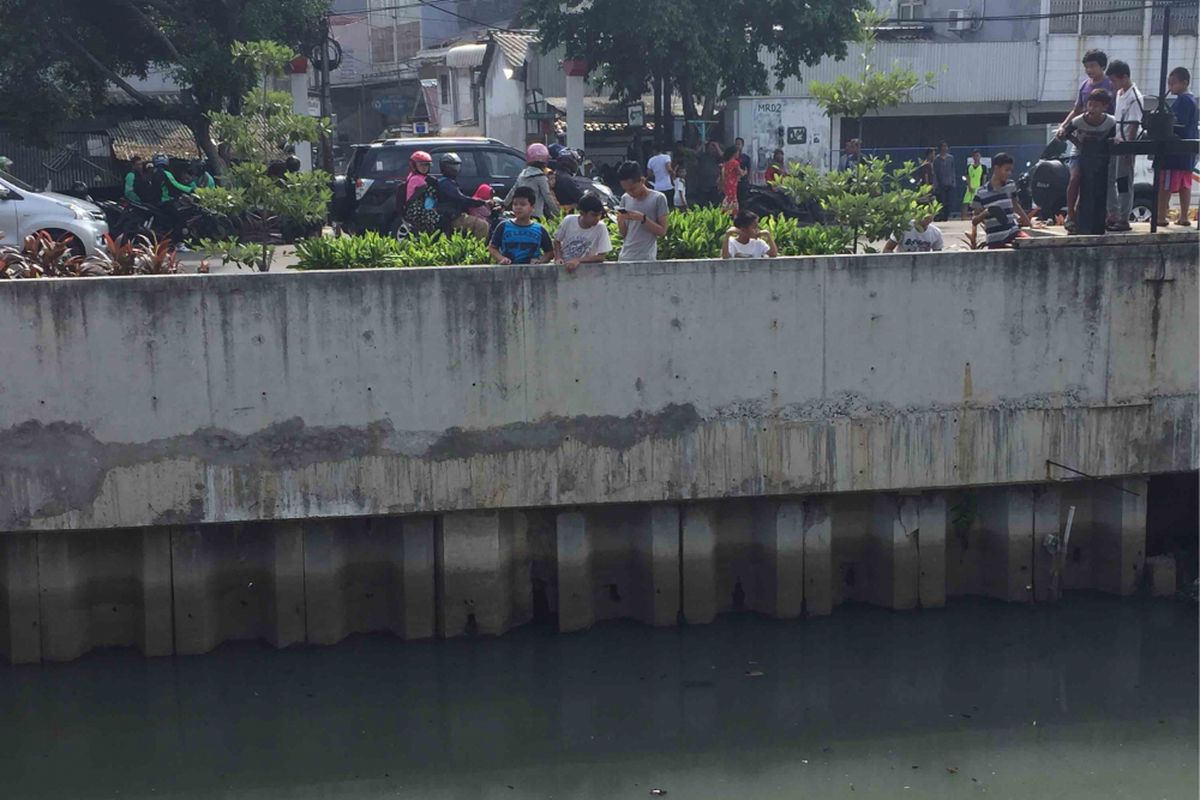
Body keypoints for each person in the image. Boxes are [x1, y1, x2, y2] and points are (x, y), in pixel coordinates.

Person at [1057, 49, 1115, 233]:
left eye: (1093, 66)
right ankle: (1070, 215)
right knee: (1075, 178)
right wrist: (1063, 126)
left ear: (1102, 67)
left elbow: (1114, 116)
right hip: (1081, 143)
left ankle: (1102, 216)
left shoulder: (1110, 85)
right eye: (1087, 67)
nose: (1089, 70)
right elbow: (1076, 110)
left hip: (1101, 145)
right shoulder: (1084, 86)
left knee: (1099, 182)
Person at [1105, 59, 1144, 231]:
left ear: (1124, 77)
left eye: (1114, 80)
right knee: (1110, 179)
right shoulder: (1120, 93)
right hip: (1116, 141)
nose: (1113, 84)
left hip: (1126, 144)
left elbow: (1134, 125)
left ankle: (1123, 217)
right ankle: (1113, 213)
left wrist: (1129, 149)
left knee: (1123, 182)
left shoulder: (1134, 96)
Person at [1159, 67, 1197, 227]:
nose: (1170, 87)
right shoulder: (1192, 100)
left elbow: (1176, 123)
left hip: (1175, 151)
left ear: (1184, 82)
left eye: (1173, 83)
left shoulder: (1183, 100)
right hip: (1188, 151)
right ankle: (1184, 216)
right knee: (1185, 184)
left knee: (1165, 184)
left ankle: (1160, 216)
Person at [970, 152, 1032, 249]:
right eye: (1006, 170)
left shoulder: (1010, 185)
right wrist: (987, 212)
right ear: (996, 168)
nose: (1009, 173)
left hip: (1013, 233)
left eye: (1010, 170)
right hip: (995, 240)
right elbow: (974, 220)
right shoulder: (981, 192)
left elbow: (1016, 206)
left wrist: (1030, 224)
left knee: (1030, 245)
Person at [615, 161, 669, 262]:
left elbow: (662, 231)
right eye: (626, 190)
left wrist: (643, 218)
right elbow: (624, 233)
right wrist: (620, 220)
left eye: (633, 189)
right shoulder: (625, 198)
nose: (630, 193)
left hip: (646, 257)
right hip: (625, 256)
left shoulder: (658, 198)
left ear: (642, 181)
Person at [489, 186, 553, 265]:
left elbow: (550, 252)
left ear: (532, 207)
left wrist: (540, 261)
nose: (518, 207)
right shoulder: (503, 226)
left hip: (532, 274)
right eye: (515, 204)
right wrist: (502, 259)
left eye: (523, 204)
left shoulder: (539, 229)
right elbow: (492, 247)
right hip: (508, 272)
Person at [553, 193, 612, 272]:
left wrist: (578, 260)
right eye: (594, 215)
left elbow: (601, 257)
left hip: (587, 271)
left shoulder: (601, 227)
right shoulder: (569, 220)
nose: (597, 218)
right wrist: (558, 258)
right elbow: (557, 240)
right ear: (582, 213)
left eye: (599, 215)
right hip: (564, 267)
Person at [437, 152, 490, 239]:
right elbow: (461, 199)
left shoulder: (448, 182)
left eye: (456, 166)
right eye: (451, 166)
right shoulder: (446, 184)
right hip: (452, 217)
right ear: (444, 167)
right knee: (482, 225)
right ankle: (478, 250)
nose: (455, 169)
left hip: (453, 215)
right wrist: (482, 202)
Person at [505, 143, 560, 219]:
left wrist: (504, 204)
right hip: (535, 215)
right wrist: (557, 213)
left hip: (520, 215)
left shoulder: (522, 174)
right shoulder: (540, 177)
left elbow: (513, 191)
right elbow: (547, 196)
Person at [932, 141, 956, 221]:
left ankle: (946, 216)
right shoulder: (936, 159)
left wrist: (953, 181)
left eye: (946, 146)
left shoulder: (950, 158)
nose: (944, 148)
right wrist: (936, 184)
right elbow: (935, 172)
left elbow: (953, 170)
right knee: (942, 201)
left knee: (949, 202)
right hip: (941, 184)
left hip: (949, 183)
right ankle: (941, 216)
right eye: (943, 147)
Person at [694, 141, 722, 207]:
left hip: (714, 185)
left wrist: (717, 146)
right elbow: (695, 154)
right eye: (711, 147)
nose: (712, 149)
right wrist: (702, 145)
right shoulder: (703, 156)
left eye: (713, 147)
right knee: (702, 204)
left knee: (715, 204)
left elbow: (723, 156)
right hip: (703, 185)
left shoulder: (717, 157)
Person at [720, 145, 745, 214]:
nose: (738, 154)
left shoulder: (726, 163)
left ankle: (725, 212)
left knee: (727, 197)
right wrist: (745, 172)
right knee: (732, 198)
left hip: (726, 183)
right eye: (737, 152)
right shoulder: (735, 163)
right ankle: (733, 213)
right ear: (734, 153)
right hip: (732, 184)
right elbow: (741, 173)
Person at [962, 150, 985, 220]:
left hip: (978, 188)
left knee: (978, 205)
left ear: (980, 157)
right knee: (965, 203)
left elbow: (984, 178)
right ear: (973, 157)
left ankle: (978, 218)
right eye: (975, 156)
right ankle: (964, 218)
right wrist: (969, 186)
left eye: (978, 155)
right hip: (969, 188)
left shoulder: (983, 167)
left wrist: (982, 188)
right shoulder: (969, 166)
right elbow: (967, 177)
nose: (976, 157)